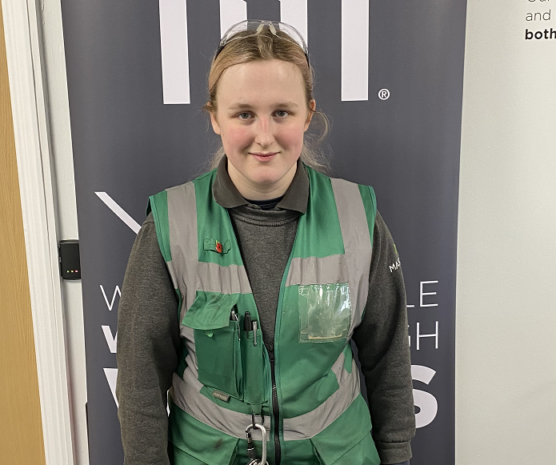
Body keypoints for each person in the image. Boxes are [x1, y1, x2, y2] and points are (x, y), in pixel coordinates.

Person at [116, 20, 415, 465]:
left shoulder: (358, 217)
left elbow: (388, 357)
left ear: (308, 114)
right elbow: (140, 378)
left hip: (337, 452)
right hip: (210, 453)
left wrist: (396, 455)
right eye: (243, 114)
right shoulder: (168, 225)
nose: (264, 135)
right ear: (214, 116)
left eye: (282, 112)